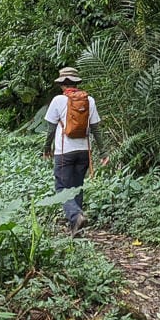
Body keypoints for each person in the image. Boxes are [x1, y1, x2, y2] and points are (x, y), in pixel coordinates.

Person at [42, 66, 107, 235]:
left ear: (62, 84)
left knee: (62, 187)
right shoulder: (89, 100)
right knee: (77, 186)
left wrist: (46, 148)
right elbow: (96, 128)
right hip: (84, 151)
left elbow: (50, 129)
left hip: (64, 151)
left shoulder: (58, 100)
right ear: (76, 83)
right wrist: (103, 152)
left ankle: (76, 216)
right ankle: (75, 228)